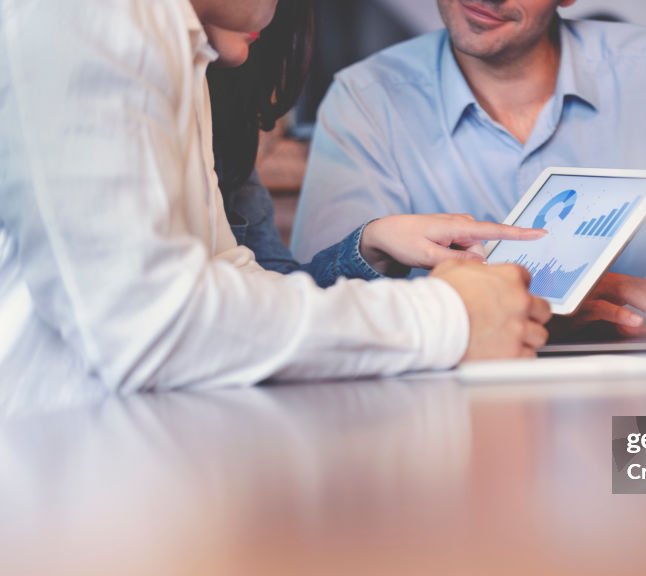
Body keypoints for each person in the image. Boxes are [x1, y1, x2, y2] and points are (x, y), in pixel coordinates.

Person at [0, 0, 551, 408]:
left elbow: (235, 275)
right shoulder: (95, 15)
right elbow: (150, 325)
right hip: (57, 485)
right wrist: (448, 315)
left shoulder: (181, 48)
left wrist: (385, 254)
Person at [292, 0, 646, 338]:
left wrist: (637, 304)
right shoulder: (366, 99)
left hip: (642, 387)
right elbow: (327, 299)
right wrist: (536, 302)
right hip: (451, 401)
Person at [207, 2, 548, 288]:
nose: (269, 11)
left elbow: (277, 294)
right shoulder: (365, 95)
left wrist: (372, 242)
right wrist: (453, 312)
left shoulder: (221, 119)